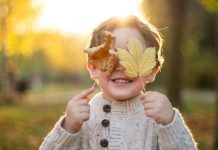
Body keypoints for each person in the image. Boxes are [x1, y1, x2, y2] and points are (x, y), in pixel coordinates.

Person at [40, 16, 197, 150]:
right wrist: (68, 127)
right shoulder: (83, 116)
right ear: (93, 68)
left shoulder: (157, 116)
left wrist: (170, 122)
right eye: (111, 56)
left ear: (152, 70)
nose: (121, 66)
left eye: (131, 56)